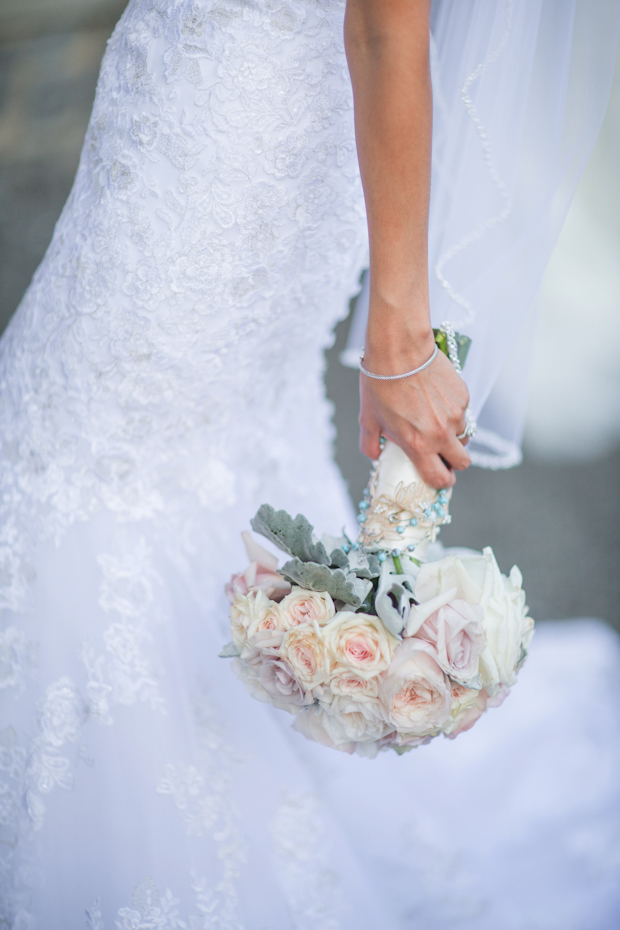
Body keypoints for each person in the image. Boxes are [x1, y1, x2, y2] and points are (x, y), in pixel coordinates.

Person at [0, 1, 619, 927]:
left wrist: (404, 335)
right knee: (170, 449)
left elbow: (388, 25)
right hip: (213, 99)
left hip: (231, 131)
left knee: (68, 455)